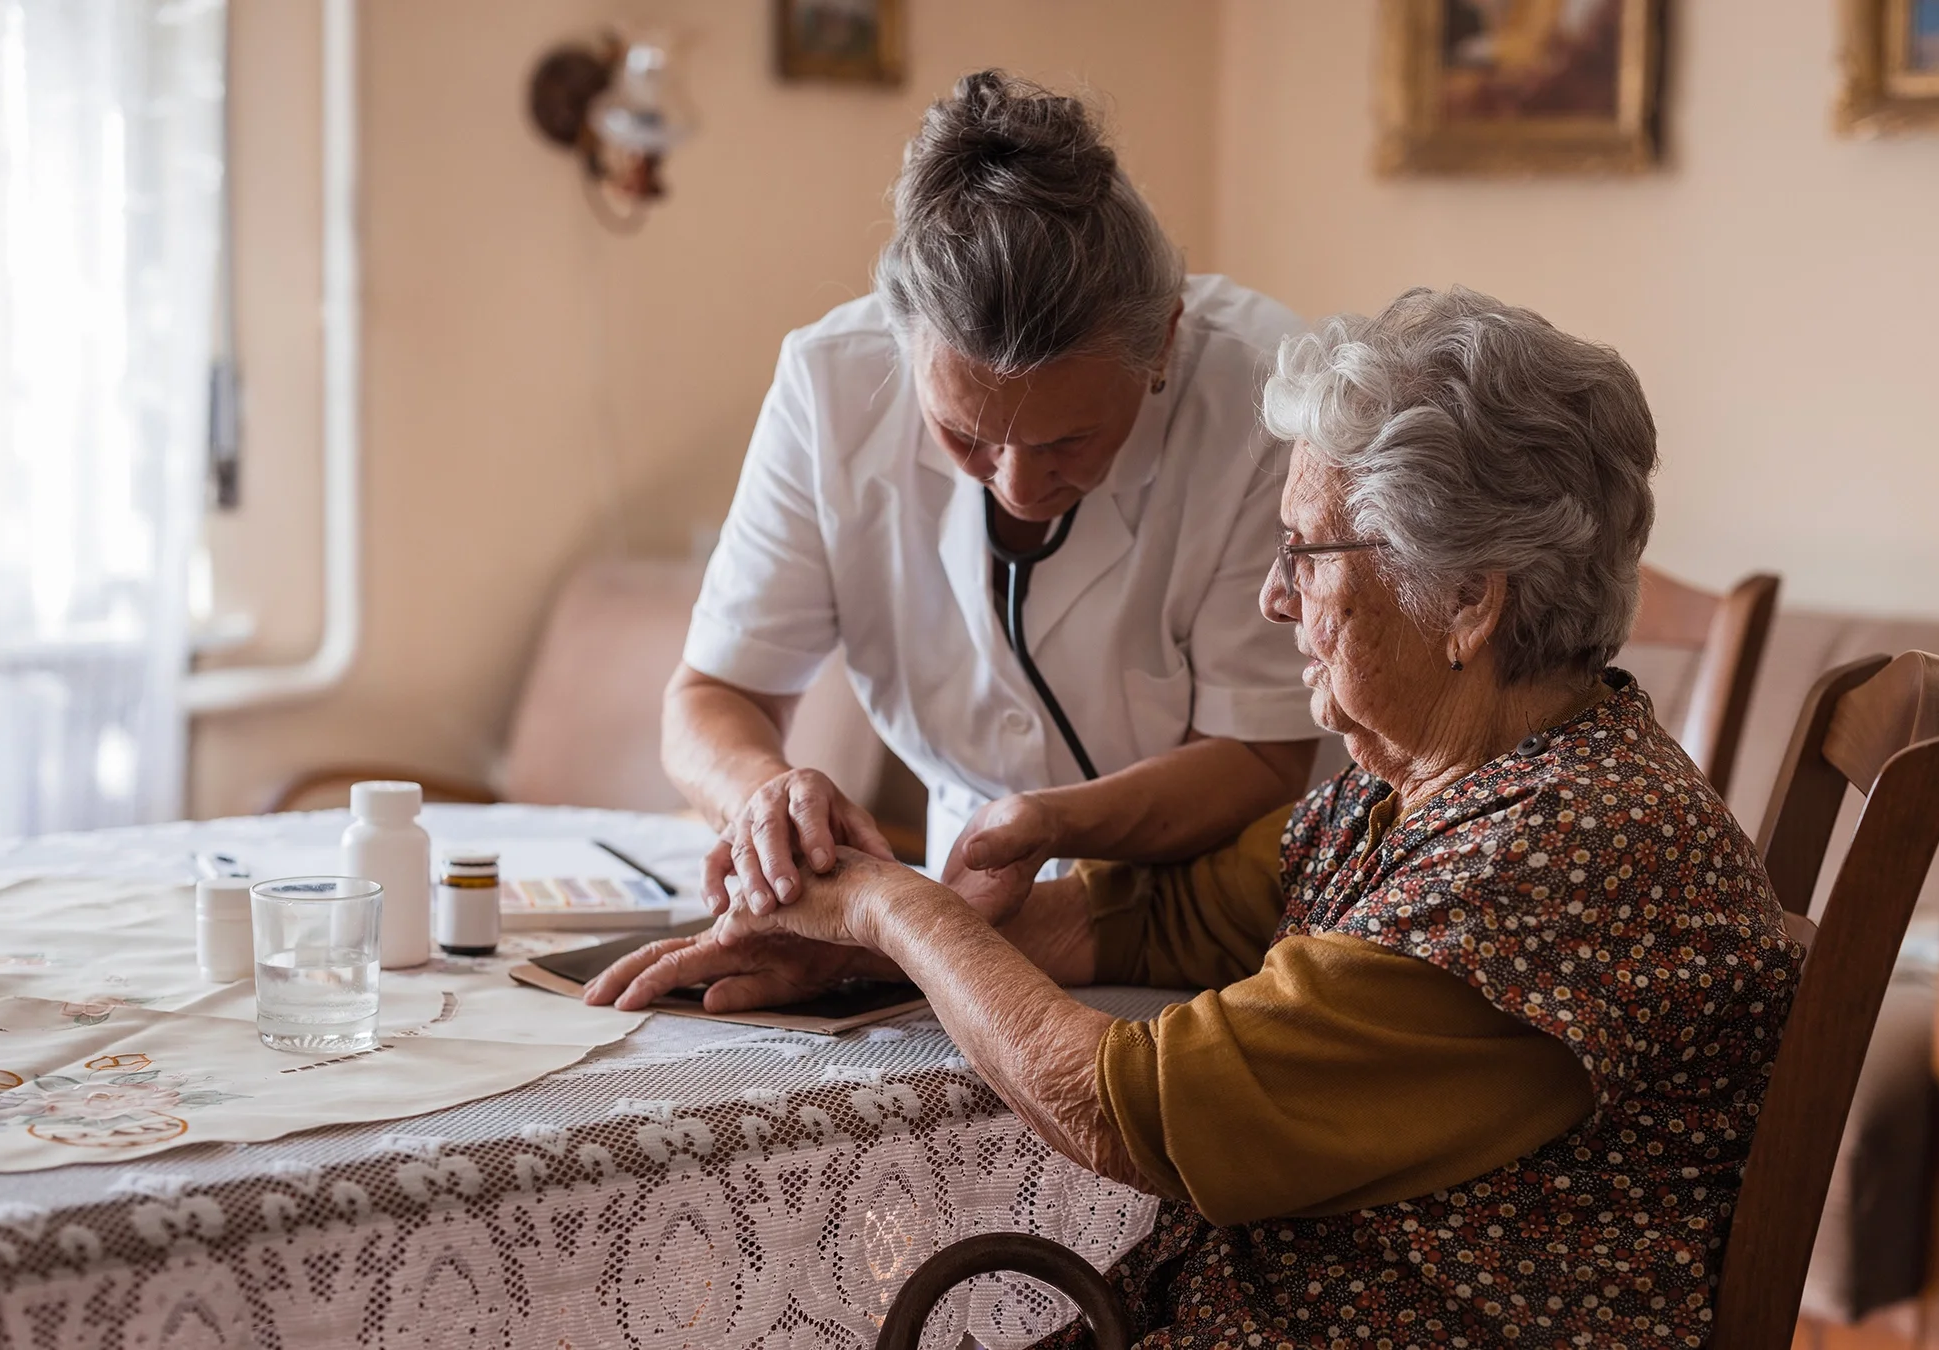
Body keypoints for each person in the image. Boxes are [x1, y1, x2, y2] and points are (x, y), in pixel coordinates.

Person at [589, 287, 1804, 1349]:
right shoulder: (1452, 788)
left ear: (1468, 604)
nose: (1275, 598)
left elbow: (1134, 1109)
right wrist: (849, 947)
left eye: (1307, 554)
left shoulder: (1550, 863)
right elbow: (1153, 919)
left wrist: (893, 911)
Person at [663, 70, 1321, 919]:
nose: (1017, 483)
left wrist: (1042, 823)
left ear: (1162, 341)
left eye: (1067, 440)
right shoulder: (828, 386)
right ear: (903, 345)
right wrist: (766, 794)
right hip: (959, 890)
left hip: (1205, 902)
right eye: (966, 433)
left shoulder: (1269, 401)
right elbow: (713, 697)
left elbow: (1261, 756)